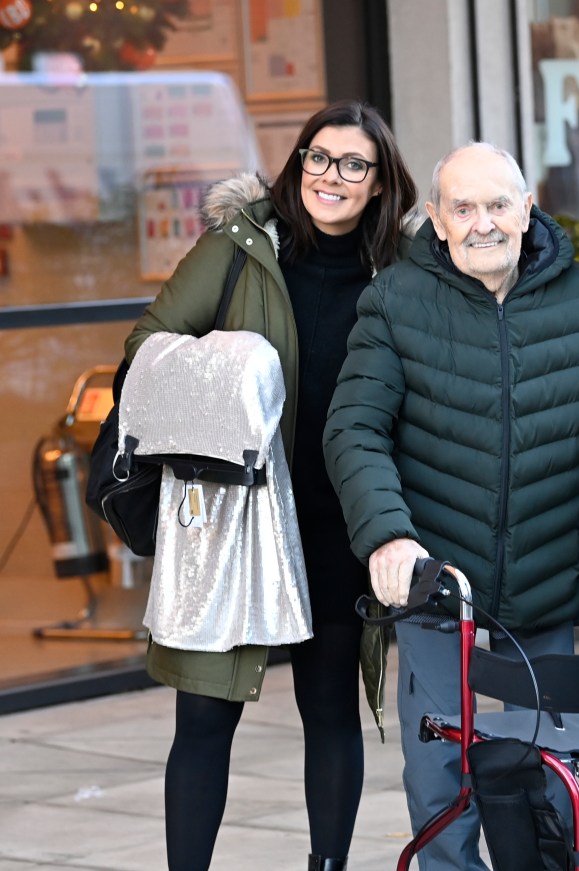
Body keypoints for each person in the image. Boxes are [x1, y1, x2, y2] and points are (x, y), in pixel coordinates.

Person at [322, 141, 579, 871]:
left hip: (540, 587)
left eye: (497, 205)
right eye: (463, 208)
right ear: (437, 221)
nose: (482, 223)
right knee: (442, 778)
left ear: (526, 210)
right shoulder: (394, 303)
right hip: (437, 586)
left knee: (541, 776)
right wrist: (386, 537)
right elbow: (354, 429)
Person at [124, 100, 418, 871]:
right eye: (317, 157)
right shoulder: (239, 244)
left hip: (335, 523)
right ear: (297, 163)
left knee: (329, 714)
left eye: (353, 164)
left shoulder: (402, 270)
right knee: (204, 719)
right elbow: (147, 348)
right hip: (231, 519)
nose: (331, 176)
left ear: (380, 183)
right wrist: (235, 372)